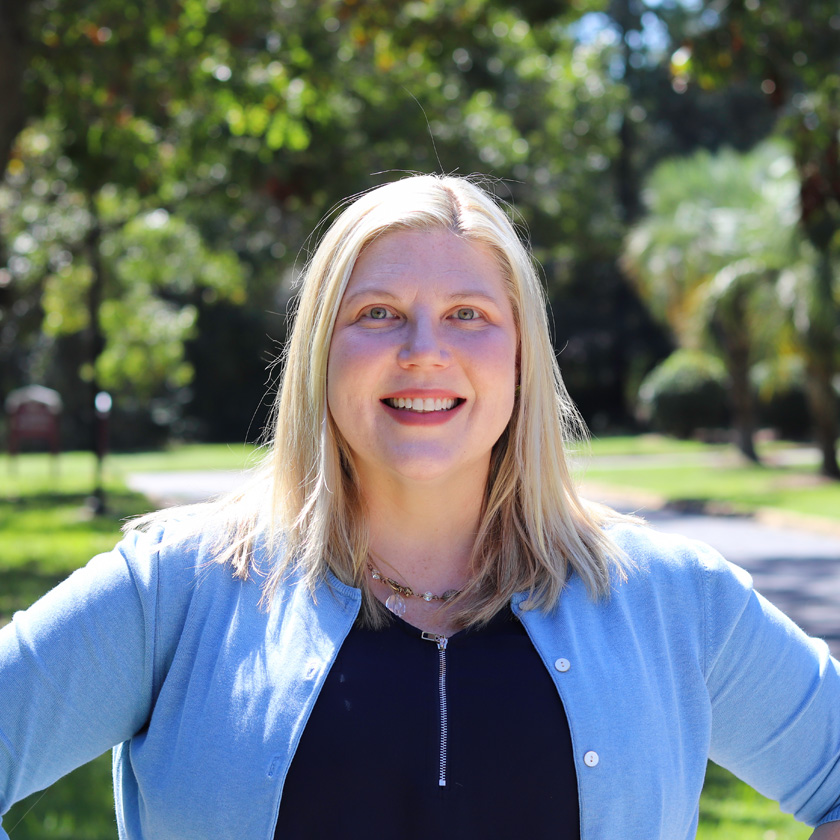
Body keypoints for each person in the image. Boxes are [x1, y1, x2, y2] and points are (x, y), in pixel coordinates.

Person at [2, 173, 840, 839]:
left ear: (521, 356)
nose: (424, 351)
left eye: (468, 316)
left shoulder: (672, 598)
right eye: (379, 315)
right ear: (320, 354)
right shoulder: (170, 594)